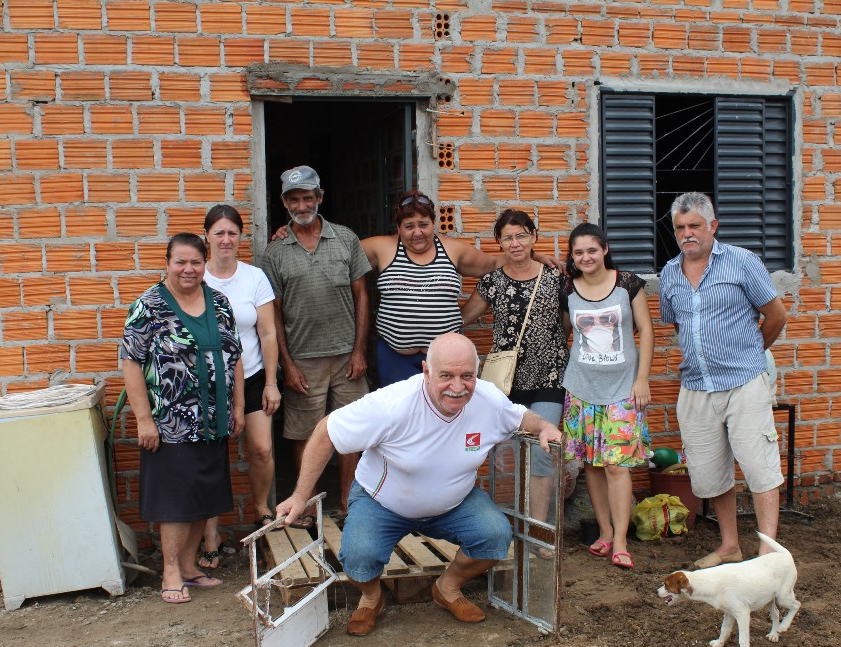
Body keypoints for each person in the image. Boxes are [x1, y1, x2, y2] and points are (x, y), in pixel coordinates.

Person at [275, 333, 562, 636]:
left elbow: (519, 417)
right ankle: (372, 598)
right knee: (359, 557)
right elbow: (327, 432)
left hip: (455, 503)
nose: (457, 386)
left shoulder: (487, 399)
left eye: (467, 376)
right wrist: (299, 495)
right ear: (425, 371)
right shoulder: (392, 404)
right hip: (383, 502)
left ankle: (447, 588)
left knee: (494, 537)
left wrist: (543, 427)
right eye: (446, 376)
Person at [272, 190, 560, 387]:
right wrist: (293, 232)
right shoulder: (380, 248)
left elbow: (492, 262)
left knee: (445, 419)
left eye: (424, 224)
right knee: (400, 423)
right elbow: (332, 253)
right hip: (395, 356)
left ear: (434, 223)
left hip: (445, 360)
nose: (417, 232)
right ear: (398, 228)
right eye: (408, 226)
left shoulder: (453, 250)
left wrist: (532, 255)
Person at [659, 191, 788, 569]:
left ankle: (767, 554)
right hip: (697, 386)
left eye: (695, 225)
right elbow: (678, 324)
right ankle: (730, 545)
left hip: (744, 382)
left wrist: (752, 354)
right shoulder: (670, 273)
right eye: (680, 227)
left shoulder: (742, 262)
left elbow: (776, 315)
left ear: (713, 226)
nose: (687, 233)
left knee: (759, 466)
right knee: (711, 472)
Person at [121, 233, 244, 604]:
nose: (188, 269)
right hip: (171, 421)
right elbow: (130, 362)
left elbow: (235, 358)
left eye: (195, 262)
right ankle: (170, 570)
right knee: (175, 500)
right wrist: (144, 419)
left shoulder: (218, 302)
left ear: (205, 263)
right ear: (167, 262)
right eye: (180, 262)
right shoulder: (150, 305)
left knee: (201, 496)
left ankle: (189, 567)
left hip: (213, 420)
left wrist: (237, 408)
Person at [263, 166, 371, 526]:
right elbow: (273, 314)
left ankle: (348, 499)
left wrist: (359, 351)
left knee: (351, 433)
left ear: (320, 197)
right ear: (284, 203)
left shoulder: (345, 239)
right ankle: (304, 504)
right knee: (304, 433)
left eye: (307, 197)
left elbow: (362, 296)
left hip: (346, 357)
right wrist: (286, 365)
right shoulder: (275, 252)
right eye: (294, 199)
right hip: (302, 360)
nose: (301, 204)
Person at [460, 209, 569, 533]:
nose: (515, 242)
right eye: (508, 237)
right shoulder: (492, 282)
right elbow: (463, 318)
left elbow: (568, 322)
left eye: (521, 235)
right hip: (505, 382)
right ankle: (504, 526)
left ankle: (538, 530)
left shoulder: (555, 277)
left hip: (549, 376)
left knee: (541, 452)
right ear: (499, 242)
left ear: (534, 237)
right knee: (503, 457)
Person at [561, 223, 654, 570]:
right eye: (578, 252)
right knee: (592, 466)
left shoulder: (627, 284)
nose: (586, 257)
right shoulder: (568, 289)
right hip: (581, 389)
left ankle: (620, 540)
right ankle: (603, 532)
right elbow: (564, 330)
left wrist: (642, 379)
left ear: (604, 250)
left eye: (592, 250)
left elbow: (646, 329)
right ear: (572, 257)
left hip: (622, 390)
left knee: (616, 465)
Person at [197, 205, 281, 569]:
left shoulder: (254, 277)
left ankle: (262, 506)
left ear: (241, 238)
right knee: (212, 458)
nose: (227, 240)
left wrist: (273, 383)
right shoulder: (195, 277)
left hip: (254, 375)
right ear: (207, 238)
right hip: (210, 381)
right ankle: (210, 533)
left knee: (261, 449)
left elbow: (267, 332)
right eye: (219, 233)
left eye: (233, 233)